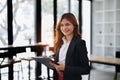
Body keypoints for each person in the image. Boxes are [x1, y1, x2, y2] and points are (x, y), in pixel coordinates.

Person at [50, 13, 90, 80]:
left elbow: (86, 69)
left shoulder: (80, 43)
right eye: (62, 25)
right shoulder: (60, 42)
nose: (64, 28)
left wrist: (65, 68)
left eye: (67, 24)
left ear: (74, 26)